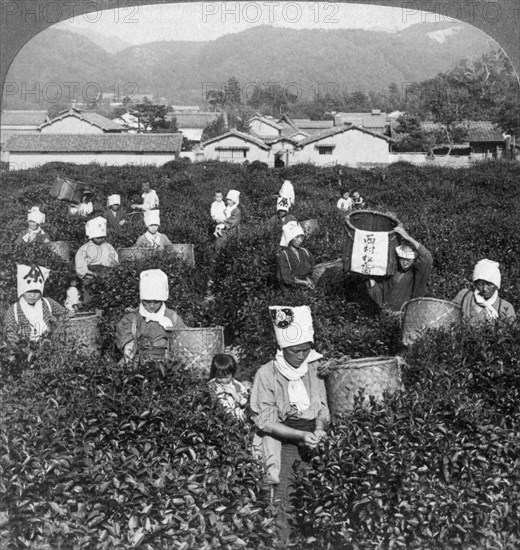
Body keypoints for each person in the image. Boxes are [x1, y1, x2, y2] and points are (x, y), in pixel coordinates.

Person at [250, 305, 329, 541]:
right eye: (295, 351)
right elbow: (264, 421)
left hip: (312, 443)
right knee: (285, 500)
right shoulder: (266, 374)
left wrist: (319, 429)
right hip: (282, 444)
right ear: (282, 348)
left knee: (313, 500)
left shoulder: (314, 369)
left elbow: (323, 407)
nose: (301, 356)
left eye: (306, 350)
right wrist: (300, 436)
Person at [116, 269, 186, 363]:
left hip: (166, 363)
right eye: (148, 301)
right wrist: (129, 347)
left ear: (162, 301)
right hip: (138, 361)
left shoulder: (172, 317)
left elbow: (185, 340)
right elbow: (127, 340)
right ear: (142, 300)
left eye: (156, 302)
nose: (152, 306)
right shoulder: (132, 318)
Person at [366, 225, 433, 312]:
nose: (405, 262)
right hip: (387, 316)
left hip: (407, 316)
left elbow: (427, 258)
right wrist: (371, 280)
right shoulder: (394, 272)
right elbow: (379, 294)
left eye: (408, 260)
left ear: (414, 260)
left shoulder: (416, 275)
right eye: (403, 259)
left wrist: (408, 238)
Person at [3, 264, 70, 345]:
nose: (32, 295)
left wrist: (57, 326)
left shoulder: (47, 303)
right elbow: (10, 334)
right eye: (28, 292)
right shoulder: (14, 311)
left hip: (50, 345)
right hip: (25, 350)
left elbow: (66, 313)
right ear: (22, 291)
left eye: (36, 292)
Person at [452, 259, 516, 325]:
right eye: (480, 284)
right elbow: (449, 318)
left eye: (489, 284)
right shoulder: (464, 296)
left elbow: (511, 332)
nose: (485, 289)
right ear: (475, 283)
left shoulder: (505, 307)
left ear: (496, 285)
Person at [208, 353, 251, 422]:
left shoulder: (238, 386)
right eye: (219, 377)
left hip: (235, 417)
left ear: (232, 373)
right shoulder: (211, 384)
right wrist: (216, 393)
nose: (223, 380)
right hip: (217, 416)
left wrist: (233, 392)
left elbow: (243, 403)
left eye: (226, 377)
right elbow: (207, 401)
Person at [277, 221, 316, 290]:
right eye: (297, 237)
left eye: (301, 237)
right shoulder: (284, 255)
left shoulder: (305, 252)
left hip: (307, 289)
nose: (300, 240)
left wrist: (309, 280)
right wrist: (303, 282)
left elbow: (313, 268)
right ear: (290, 238)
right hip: (291, 292)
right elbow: (286, 279)